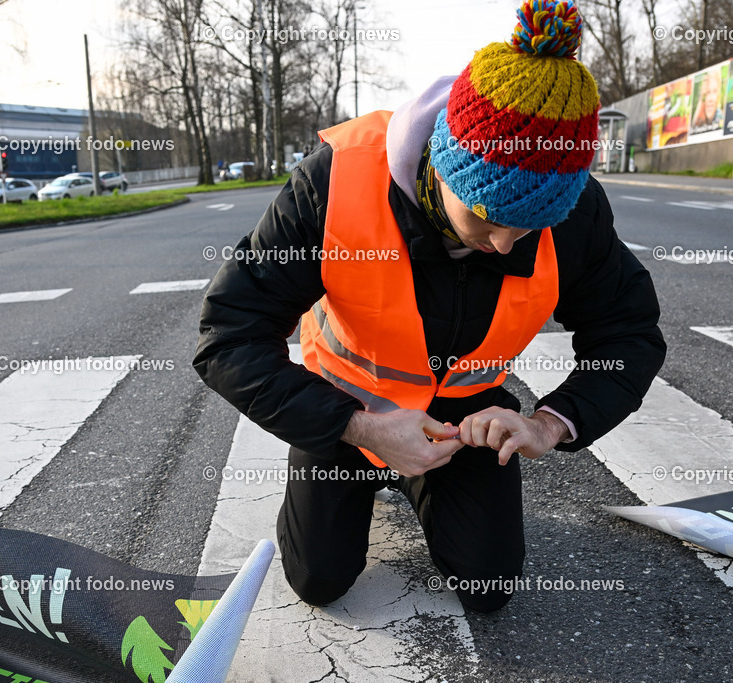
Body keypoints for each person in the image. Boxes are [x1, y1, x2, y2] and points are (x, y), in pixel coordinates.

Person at [194, 0, 665, 613]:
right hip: (345, 405)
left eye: (529, 229)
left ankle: (419, 472)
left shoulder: (569, 209)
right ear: (442, 167)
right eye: (490, 220)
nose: (505, 245)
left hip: (466, 418)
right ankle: (375, 468)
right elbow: (227, 336)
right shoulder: (334, 182)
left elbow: (629, 332)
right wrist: (357, 427)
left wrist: (549, 423)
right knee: (320, 579)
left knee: (489, 586)